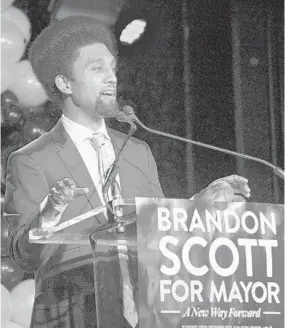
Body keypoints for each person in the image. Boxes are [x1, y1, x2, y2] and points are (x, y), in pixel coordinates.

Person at [4, 16, 251, 328]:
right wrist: (52, 209)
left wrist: (199, 205)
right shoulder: (31, 159)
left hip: (145, 313)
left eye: (112, 69)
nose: (111, 79)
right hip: (73, 315)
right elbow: (25, 255)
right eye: (97, 69)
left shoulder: (137, 152)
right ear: (64, 83)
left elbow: (159, 234)